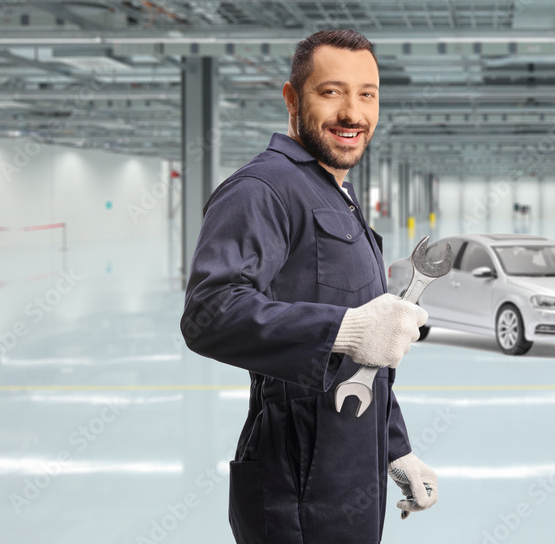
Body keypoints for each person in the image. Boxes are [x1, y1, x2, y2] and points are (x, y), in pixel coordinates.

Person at [181, 28, 438, 544]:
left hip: (352, 465)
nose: (353, 112)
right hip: (295, 475)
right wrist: (343, 328)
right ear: (292, 98)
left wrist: (395, 447)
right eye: (331, 91)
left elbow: (365, 360)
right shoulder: (262, 190)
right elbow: (209, 312)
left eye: (367, 94)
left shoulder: (336, 194)